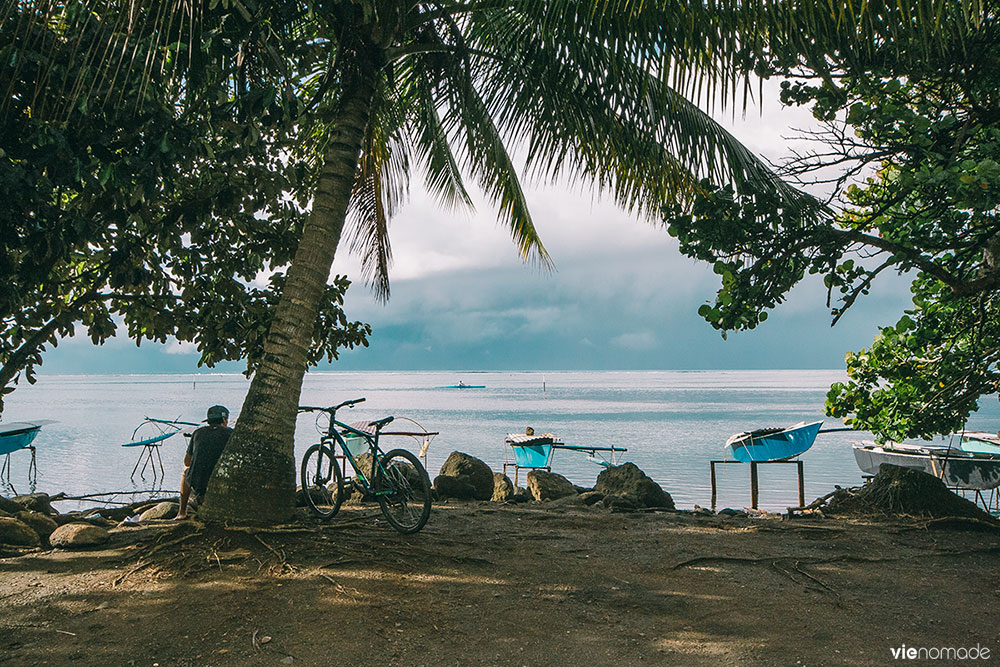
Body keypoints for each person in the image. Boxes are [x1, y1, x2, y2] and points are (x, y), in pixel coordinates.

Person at [175, 405, 232, 519]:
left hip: (199, 482)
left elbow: (187, 462)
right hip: (222, 477)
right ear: (224, 420)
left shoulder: (198, 433)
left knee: (185, 470)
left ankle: (182, 512)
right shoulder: (231, 433)